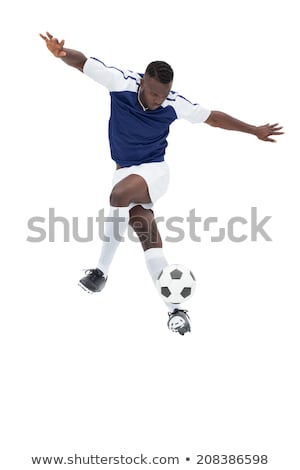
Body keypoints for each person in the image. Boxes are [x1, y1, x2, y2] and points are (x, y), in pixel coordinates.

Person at [40, 32, 284, 335]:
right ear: (143, 82)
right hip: (124, 170)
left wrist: (253, 130)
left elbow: (214, 118)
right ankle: (176, 312)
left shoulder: (174, 104)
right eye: (155, 93)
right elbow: (84, 63)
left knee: (119, 194)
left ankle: (100, 272)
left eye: (164, 94)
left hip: (154, 171)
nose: (159, 100)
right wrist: (62, 55)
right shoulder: (120, 82)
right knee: (143, 228)